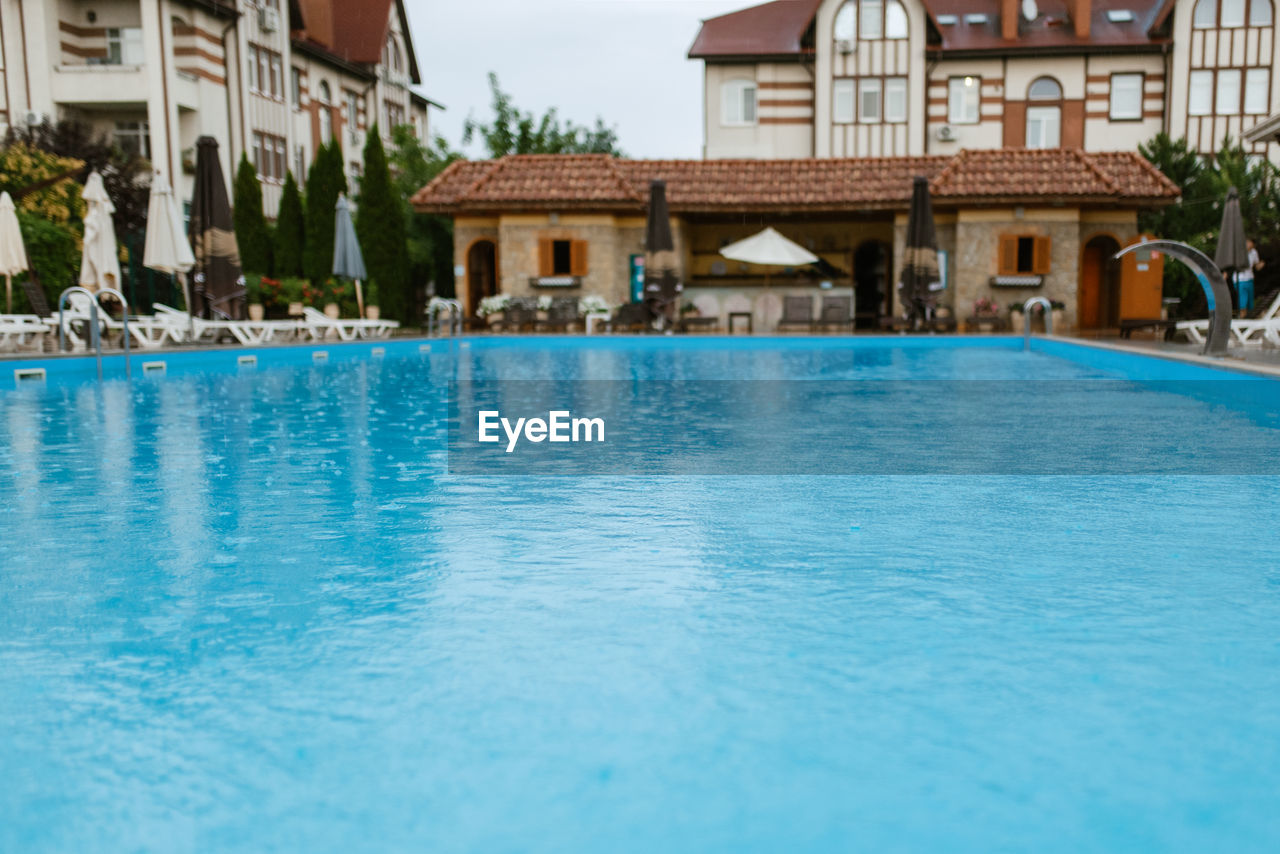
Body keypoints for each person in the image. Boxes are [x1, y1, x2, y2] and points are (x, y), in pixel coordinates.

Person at [1236, 238, 1263, 316]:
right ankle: (1241, 321)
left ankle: (1248, 319)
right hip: (1240, 279)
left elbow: (1257, 266)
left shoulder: (1254, 252)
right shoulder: (1239, 252)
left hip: (1250, 278)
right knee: (1243, 303)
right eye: (1248, 242)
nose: (1249, 244)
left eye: (1251, 243)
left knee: (1250, 304)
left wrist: (1261, 265)